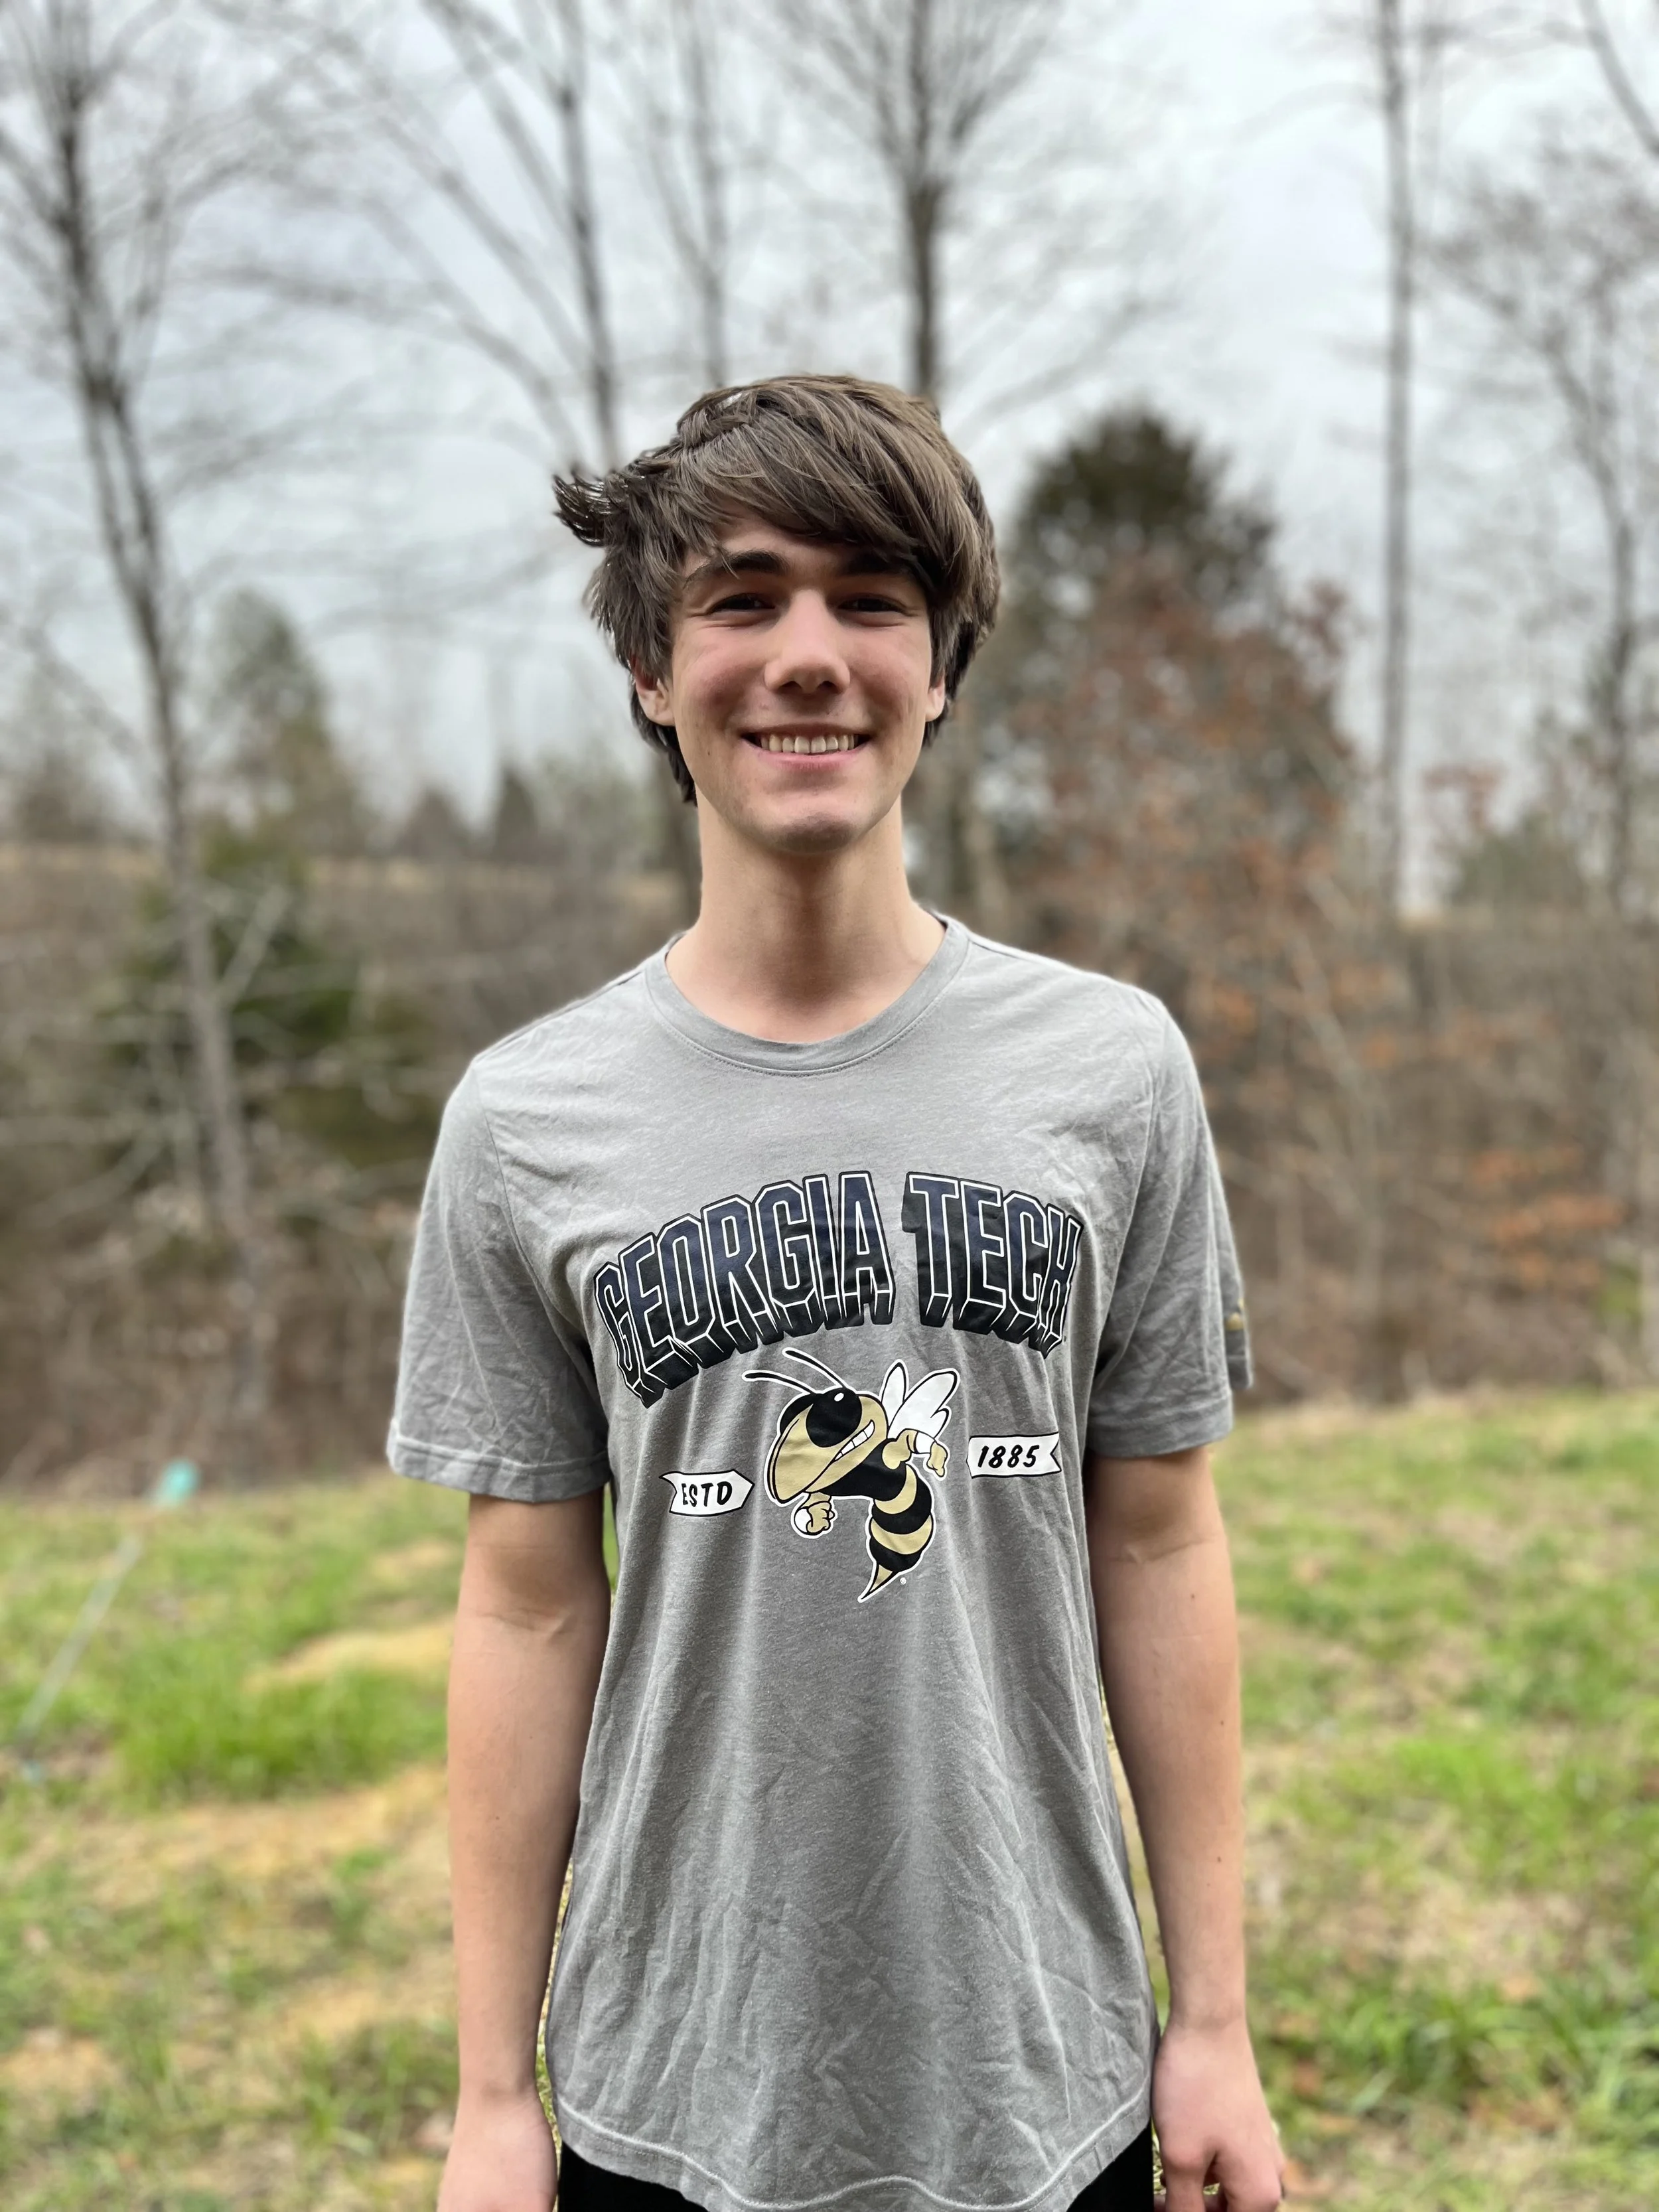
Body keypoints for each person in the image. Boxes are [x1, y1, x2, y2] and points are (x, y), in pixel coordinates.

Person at [389, 374, 1284, 2212]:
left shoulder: (1112, 1072)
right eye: (742, 597)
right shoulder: (524, 1120)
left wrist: (1214, 2021)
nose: (808, 653)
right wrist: (493, 2095)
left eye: (870, 599)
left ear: (939, 666)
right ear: (653, 668)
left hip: (1048, 2080)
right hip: (667, 2092)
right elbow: (529, 1609)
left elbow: (1161, 1543)